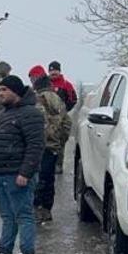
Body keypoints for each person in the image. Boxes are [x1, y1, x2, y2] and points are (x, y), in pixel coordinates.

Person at [0, 75, 45, 254]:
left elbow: (36, 146)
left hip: (17, 174)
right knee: (7, 215)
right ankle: (5, 252)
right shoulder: (1, 115)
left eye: (5, 90)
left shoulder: (31, 114)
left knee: (24, 214)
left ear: (16, 92)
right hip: (0, 174)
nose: (1, 93)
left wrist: (25, 172)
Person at [31, 73, 72, 223]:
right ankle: (47, 210)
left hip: (39, 146)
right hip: (54, 146)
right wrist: (61, 142)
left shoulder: (37, 100)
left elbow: (35, 124)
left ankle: (36, 208)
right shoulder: (59, 100)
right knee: (49, 179)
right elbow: (67, 123)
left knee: (37, 178)